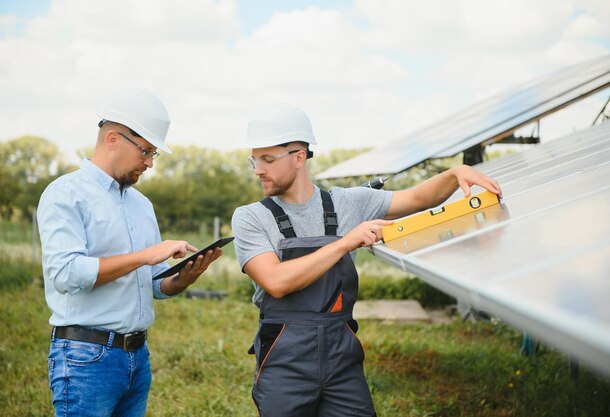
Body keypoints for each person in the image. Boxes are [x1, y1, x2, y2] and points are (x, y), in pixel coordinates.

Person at [231, 103, 502, 417]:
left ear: (299, 157)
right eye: (255, 159)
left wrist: (456, 174)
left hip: (340, 356)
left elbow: (419, 198)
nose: (257, 169)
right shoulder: (251, 217)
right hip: (284, 357)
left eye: (267, 159)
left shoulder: (349, 202)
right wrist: (346, 242)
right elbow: (276, 282)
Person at [37, 88, 223, 417]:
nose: (150, 163)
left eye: (154, 154)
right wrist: (145, 255)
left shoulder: (142, 205)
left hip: (137, 357)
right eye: (146, 151)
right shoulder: (65, 194)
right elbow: (66, 275)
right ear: (113, 138)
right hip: (85, 358)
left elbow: (155, 285)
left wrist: (183, 279)